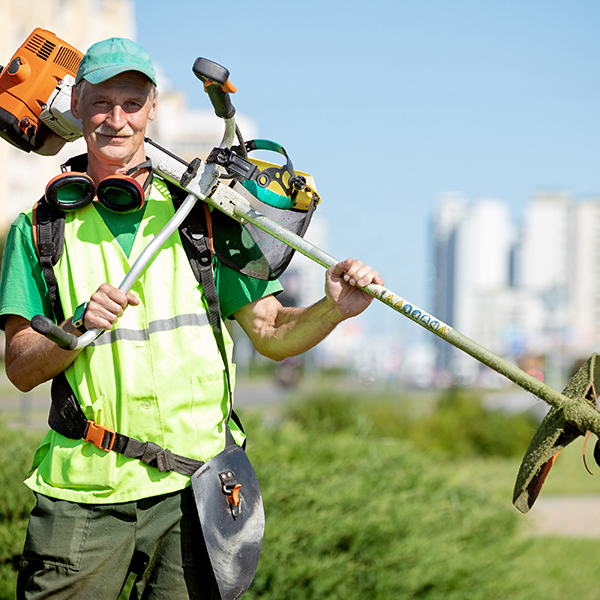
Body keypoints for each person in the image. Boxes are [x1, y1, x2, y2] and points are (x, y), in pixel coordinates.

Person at [0, 38, 383, 600]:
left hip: (198, 492)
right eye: (101, 102)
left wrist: (334, 309)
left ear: (153, 109)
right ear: (75, 103)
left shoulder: (202, 214)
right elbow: (20, 367)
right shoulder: (34, 231)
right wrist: (77, 327)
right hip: (83, 497)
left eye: (132, 103)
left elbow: (273, 333)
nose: (116, 119)